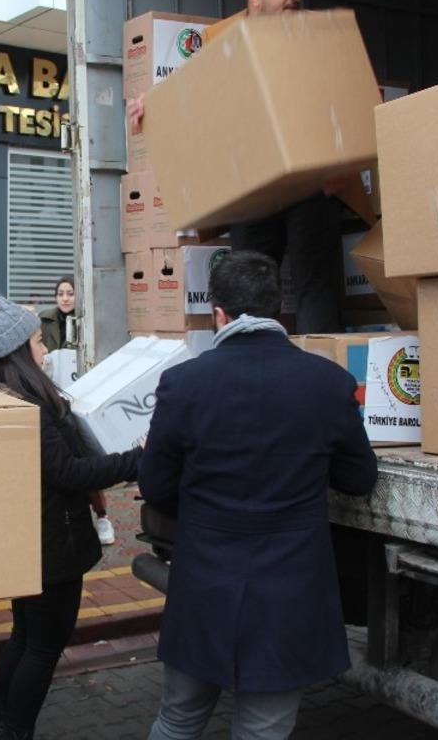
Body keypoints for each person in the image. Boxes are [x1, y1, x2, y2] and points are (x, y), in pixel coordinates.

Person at [139, 251, 378, 740]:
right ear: (278, 310)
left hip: (204, 578)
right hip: (289, 586)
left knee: (179, 719)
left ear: (218, 314)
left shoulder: (184, 384)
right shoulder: (330, 383)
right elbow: (359, 479)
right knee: (264, 731)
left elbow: (155, 486)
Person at [127, 0, 344, 334]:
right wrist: (150, 106)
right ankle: (251, 368)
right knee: (246, 287)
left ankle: (318, 373)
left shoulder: (318, 37)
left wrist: (339, 164)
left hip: (312, 183)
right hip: (252, 185)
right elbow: (188, 99)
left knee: (318, 287)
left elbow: (346, 98)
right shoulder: (223, 46)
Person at [0, 289, 141, 740]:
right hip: (50, 544)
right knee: (42, 647)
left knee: (24, 637)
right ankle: (13, 731)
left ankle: (7, 726)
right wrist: (137, 457)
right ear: (19, 351)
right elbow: (69, 472)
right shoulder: (28, 405)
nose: (44, 350)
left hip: (28, 538)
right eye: (39, 343)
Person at [38, 276, 117, 546]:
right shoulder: (45, 321)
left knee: (84, 455)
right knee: (68, 460)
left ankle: (103, 514)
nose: (65, 298)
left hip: (81, 395)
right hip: (55, 395)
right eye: (60, 293)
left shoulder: (87, 319)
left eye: (70, 293)